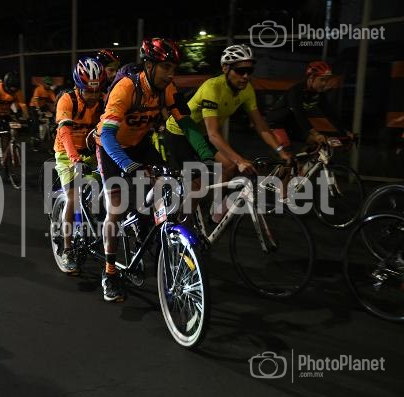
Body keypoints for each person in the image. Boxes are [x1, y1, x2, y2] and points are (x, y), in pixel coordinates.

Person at [96, 37, 209, 302]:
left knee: (164, 187)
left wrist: (207, 156)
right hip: (111, 147)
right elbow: (109, 135)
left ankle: (148, 234)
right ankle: (109, 273)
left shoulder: (167, 88)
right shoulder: (126, 87)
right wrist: (128, 165)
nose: (171, 74)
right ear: (149, 65)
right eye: (166, 67)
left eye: (174, 69)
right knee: (116, 208)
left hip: (139, 143)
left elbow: (186, 124)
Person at [165, 44, 291, 222]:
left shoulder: (246, 89)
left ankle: (216, 213)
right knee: (199, 183)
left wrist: (281, 151)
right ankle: (182, 223)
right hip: (180, 132)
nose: (246, 76)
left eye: (249, 71)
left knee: (229, 166)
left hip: (202, 134)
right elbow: (214, 134)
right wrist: (240, 160)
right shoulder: (213, 88)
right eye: (240, 71)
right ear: (225, 69)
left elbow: (261, 126)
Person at [54, 57, 106, 274]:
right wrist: (75, 159)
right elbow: (64, 132)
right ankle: (67, 249)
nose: (93, 96)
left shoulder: (103, 101)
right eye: (88, 91)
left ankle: (94, 226)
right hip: (66, 154)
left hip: (90, 152)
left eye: (97, 90)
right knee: (73, 198)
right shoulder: (67, 100)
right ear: (78, 86)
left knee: (104, 193)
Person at [266, 60, 354, 147]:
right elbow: (299, 115)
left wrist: (346, 132)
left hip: (292, 124)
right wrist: (316, 134)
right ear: (311, 78)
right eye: (322, 80)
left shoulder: (319, 93)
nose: (324, 83)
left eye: (327, 80)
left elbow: (330, 114)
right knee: (285, 148)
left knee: (317, 144)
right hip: (276, 123)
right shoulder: (296, 91)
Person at [0, 71, 28, 147]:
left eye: (14, 89)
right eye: (10, 89)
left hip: (5, 111)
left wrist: (27, 117)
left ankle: (11, 146)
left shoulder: (18, 91)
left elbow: (23, 105)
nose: (12, 91)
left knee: (15, 127)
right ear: (5, 85)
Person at [29, 76, 56, 149]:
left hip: (43, 106)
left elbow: (55, 101)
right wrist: (38, 110)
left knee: (52, 119)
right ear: (44, 83)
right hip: (34, 106)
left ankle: (48, 135)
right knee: (35, 121)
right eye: (47, 84)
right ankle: (34, 136)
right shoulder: (38, 89)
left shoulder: (50, 91)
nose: (49, 85)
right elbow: (36, 101)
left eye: (50, 84)